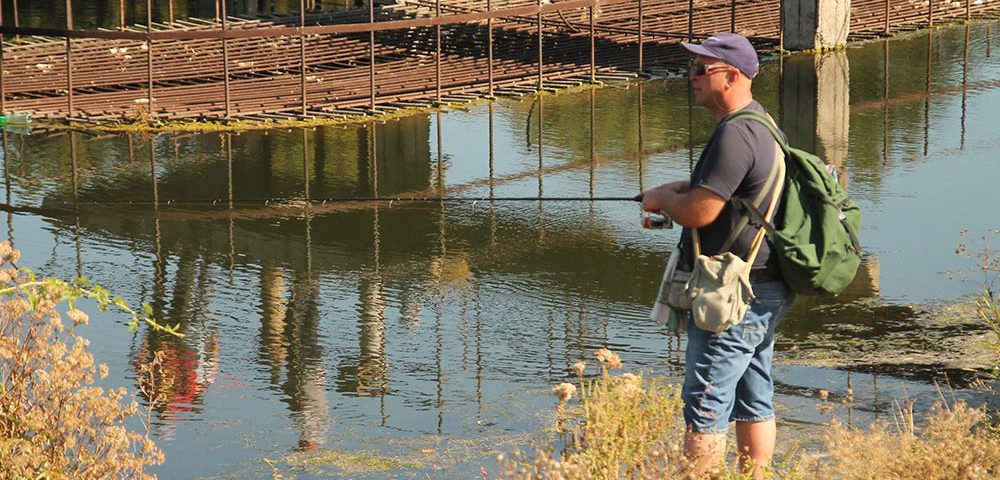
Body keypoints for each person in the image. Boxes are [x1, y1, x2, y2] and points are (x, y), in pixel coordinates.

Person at [639, 33, 794, 478]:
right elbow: (725, 195)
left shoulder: (736, 134)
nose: (691, 78)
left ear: (732, 76)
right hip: (762, 284)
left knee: (705, 404)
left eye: (700, 70)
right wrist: (673, 190)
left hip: (735, 295)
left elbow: (702, 211)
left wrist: (664, 203)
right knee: (753, 396)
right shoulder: (759, 123)